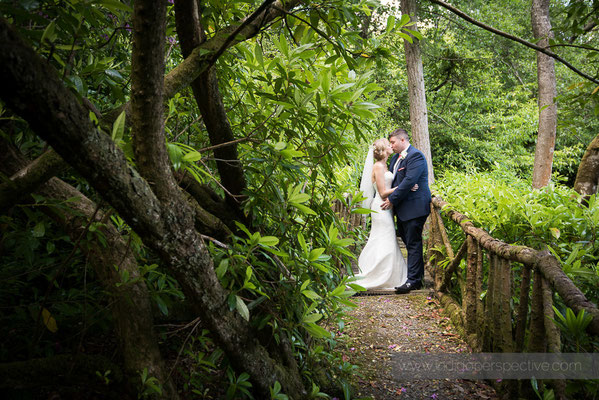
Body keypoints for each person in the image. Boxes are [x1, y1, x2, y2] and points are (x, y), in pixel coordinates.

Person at [381, 128, 431, 294]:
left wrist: (392, 200)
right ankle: (417, 276)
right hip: (403, 209)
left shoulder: (415, 156)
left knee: (413, 243)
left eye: (393, 142)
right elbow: (401, 181)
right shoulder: (395, 158)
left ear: (403, 140)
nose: (391, 145)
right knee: (409, 242)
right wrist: (407, 187)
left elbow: (410, 179)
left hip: (415, 207)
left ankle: (413, 282)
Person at [355, 138, 408, 290]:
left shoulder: (385, 165)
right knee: (385, 237)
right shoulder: (378, 166)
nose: (392, 146)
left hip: (387, 208)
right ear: (384, 150)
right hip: (380, 207)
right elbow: (383, 193)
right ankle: (378, 274)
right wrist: (403, 187)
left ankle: (390, 274)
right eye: (389, 145)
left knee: (385, 237)